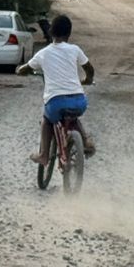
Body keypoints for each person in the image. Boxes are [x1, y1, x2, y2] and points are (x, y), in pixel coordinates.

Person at [16, 13, 96, 161]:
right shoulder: (75, 50)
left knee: (47, 120)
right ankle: (85, 142)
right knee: (73, 116)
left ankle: (44, 155)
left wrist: (20, 70)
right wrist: (87, 80)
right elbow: (90, 69)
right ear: (69, 33)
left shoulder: (43, 53)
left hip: (56, 102)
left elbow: (25, 68)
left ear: (51, 32)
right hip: (79, 101)